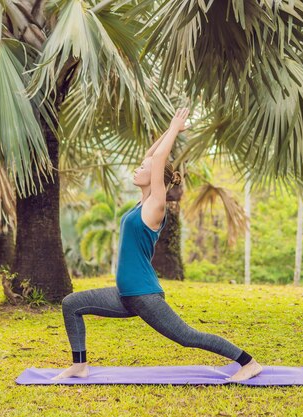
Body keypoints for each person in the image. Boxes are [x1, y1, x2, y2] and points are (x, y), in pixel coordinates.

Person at [52, 108, 263, 382]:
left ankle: (248, 362)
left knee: (187, 337)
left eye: (143, 169)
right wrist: (171, 130)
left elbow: (159, 159)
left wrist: (174, 128)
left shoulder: (156, 206)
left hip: (144, 295)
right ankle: (79, 364)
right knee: (72, 304)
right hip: (124, 295)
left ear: (156, 180)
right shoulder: (141, 203)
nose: (138, 167)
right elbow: (153, 157)